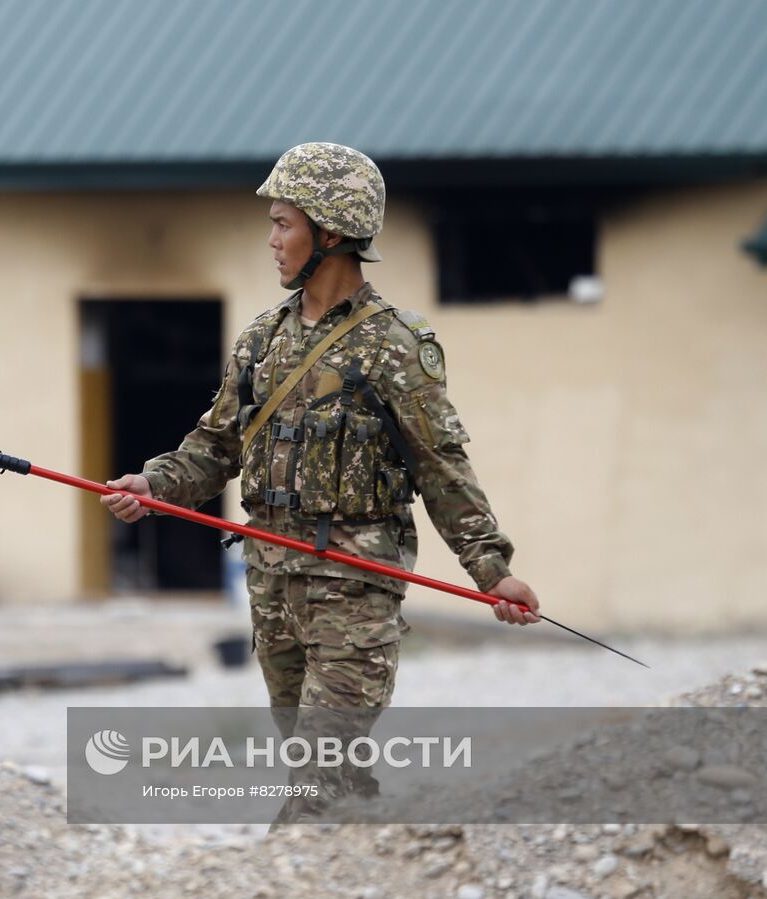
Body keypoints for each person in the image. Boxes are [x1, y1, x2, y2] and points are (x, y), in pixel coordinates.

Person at [100, 142, 539, 814]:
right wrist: (154, 485)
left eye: (284, 222)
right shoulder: (261, 340)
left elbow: (441, 466)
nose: (271, 239)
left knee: (319, 778)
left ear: (330, 231)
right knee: (327, 779)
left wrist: (492, 570)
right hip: (273, 588)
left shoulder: (394, 346)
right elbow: (216, 446)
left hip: (353, 596)